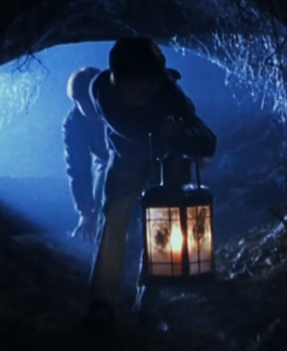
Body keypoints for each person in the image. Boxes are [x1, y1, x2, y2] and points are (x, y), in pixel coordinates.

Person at [87, 38, 216, 327]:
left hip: (166, 162)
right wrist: (166, 132)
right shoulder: (104, 91)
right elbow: (129, 129)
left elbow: (205, 139)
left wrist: (179, 138)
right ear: (118, 79)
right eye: (137, 87)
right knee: (114, 222)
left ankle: (147, 307)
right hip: (127, 159)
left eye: (151, 86)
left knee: (162, 226)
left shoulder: (169, 94)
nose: (144, 94)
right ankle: (101, 305)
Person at [62, 66, 108, 243]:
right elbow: (78, 167)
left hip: (140, 156)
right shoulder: (74, 123)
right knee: (104, 203)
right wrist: (86, 212)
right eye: (86, 103)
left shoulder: (121, 104)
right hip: (105, 161)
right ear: (75, 101)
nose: (93, 108)